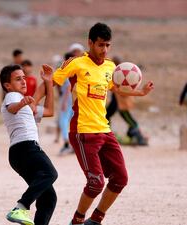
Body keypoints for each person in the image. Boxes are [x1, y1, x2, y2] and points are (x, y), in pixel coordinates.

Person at [34, 22, 154, 225]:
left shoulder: (110, 67)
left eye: (108, 45)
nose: (104, 50)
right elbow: (50, 82)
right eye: (100, 45)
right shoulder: (76, 63)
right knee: (96, 183)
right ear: (90, 42)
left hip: (105, 130)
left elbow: (116, 87)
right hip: (83, 132)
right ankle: (77, 221)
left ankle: (96, 219)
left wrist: (140, 92)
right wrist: (32, 102)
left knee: (120, 179)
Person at [0, 64, 58, 225]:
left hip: (20, 154)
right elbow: (12, 109)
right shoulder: (13, 96)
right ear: (8, 85)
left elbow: (49, 111)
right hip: (26, 148)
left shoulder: (26, 104)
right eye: (18, 79)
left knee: (49, 198)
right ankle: (20, 207)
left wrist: (48, 82)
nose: (24, 81)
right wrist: (22, 103)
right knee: (50, 173)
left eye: (24, 78)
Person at [106, 56, 148, 145]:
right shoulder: (117, 74)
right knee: (107, 115)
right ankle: (107, 134)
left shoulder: (120, 74)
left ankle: (138, 136)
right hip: (118, 102)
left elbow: (126, 90)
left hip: (121, 103)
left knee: (129, 119)